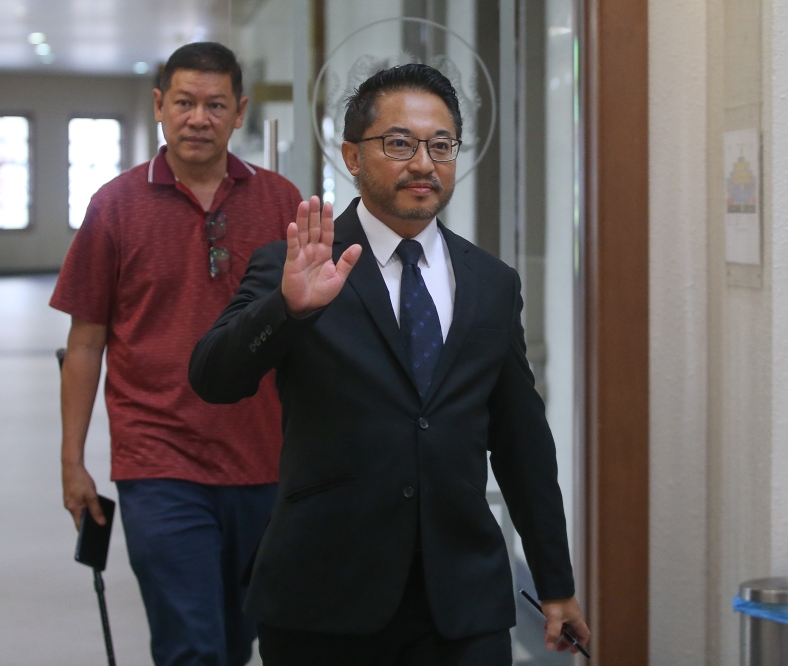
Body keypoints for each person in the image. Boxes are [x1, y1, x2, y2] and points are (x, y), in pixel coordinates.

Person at [189, 64, 590, 665]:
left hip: (462, 602)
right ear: (352, 155)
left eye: (441, 145)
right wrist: (286, 309)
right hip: (324, 595)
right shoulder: (297, 264)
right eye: (399, 143)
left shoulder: (491, 284)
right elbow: (213, 378)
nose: (423, 164)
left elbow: (520, 441)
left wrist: (555, 583)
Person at [51, 42, 301, 666]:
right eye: (185, 102)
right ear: (159, 106)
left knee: (239, 638)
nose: (199, 118)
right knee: (191, 645)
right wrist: (72, 461)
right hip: (157, 462)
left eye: (215, 105)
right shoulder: (114, 206)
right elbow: (85, 344)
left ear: (239, 111)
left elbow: (310, 333)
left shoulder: (280, 203)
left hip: (263, 462)